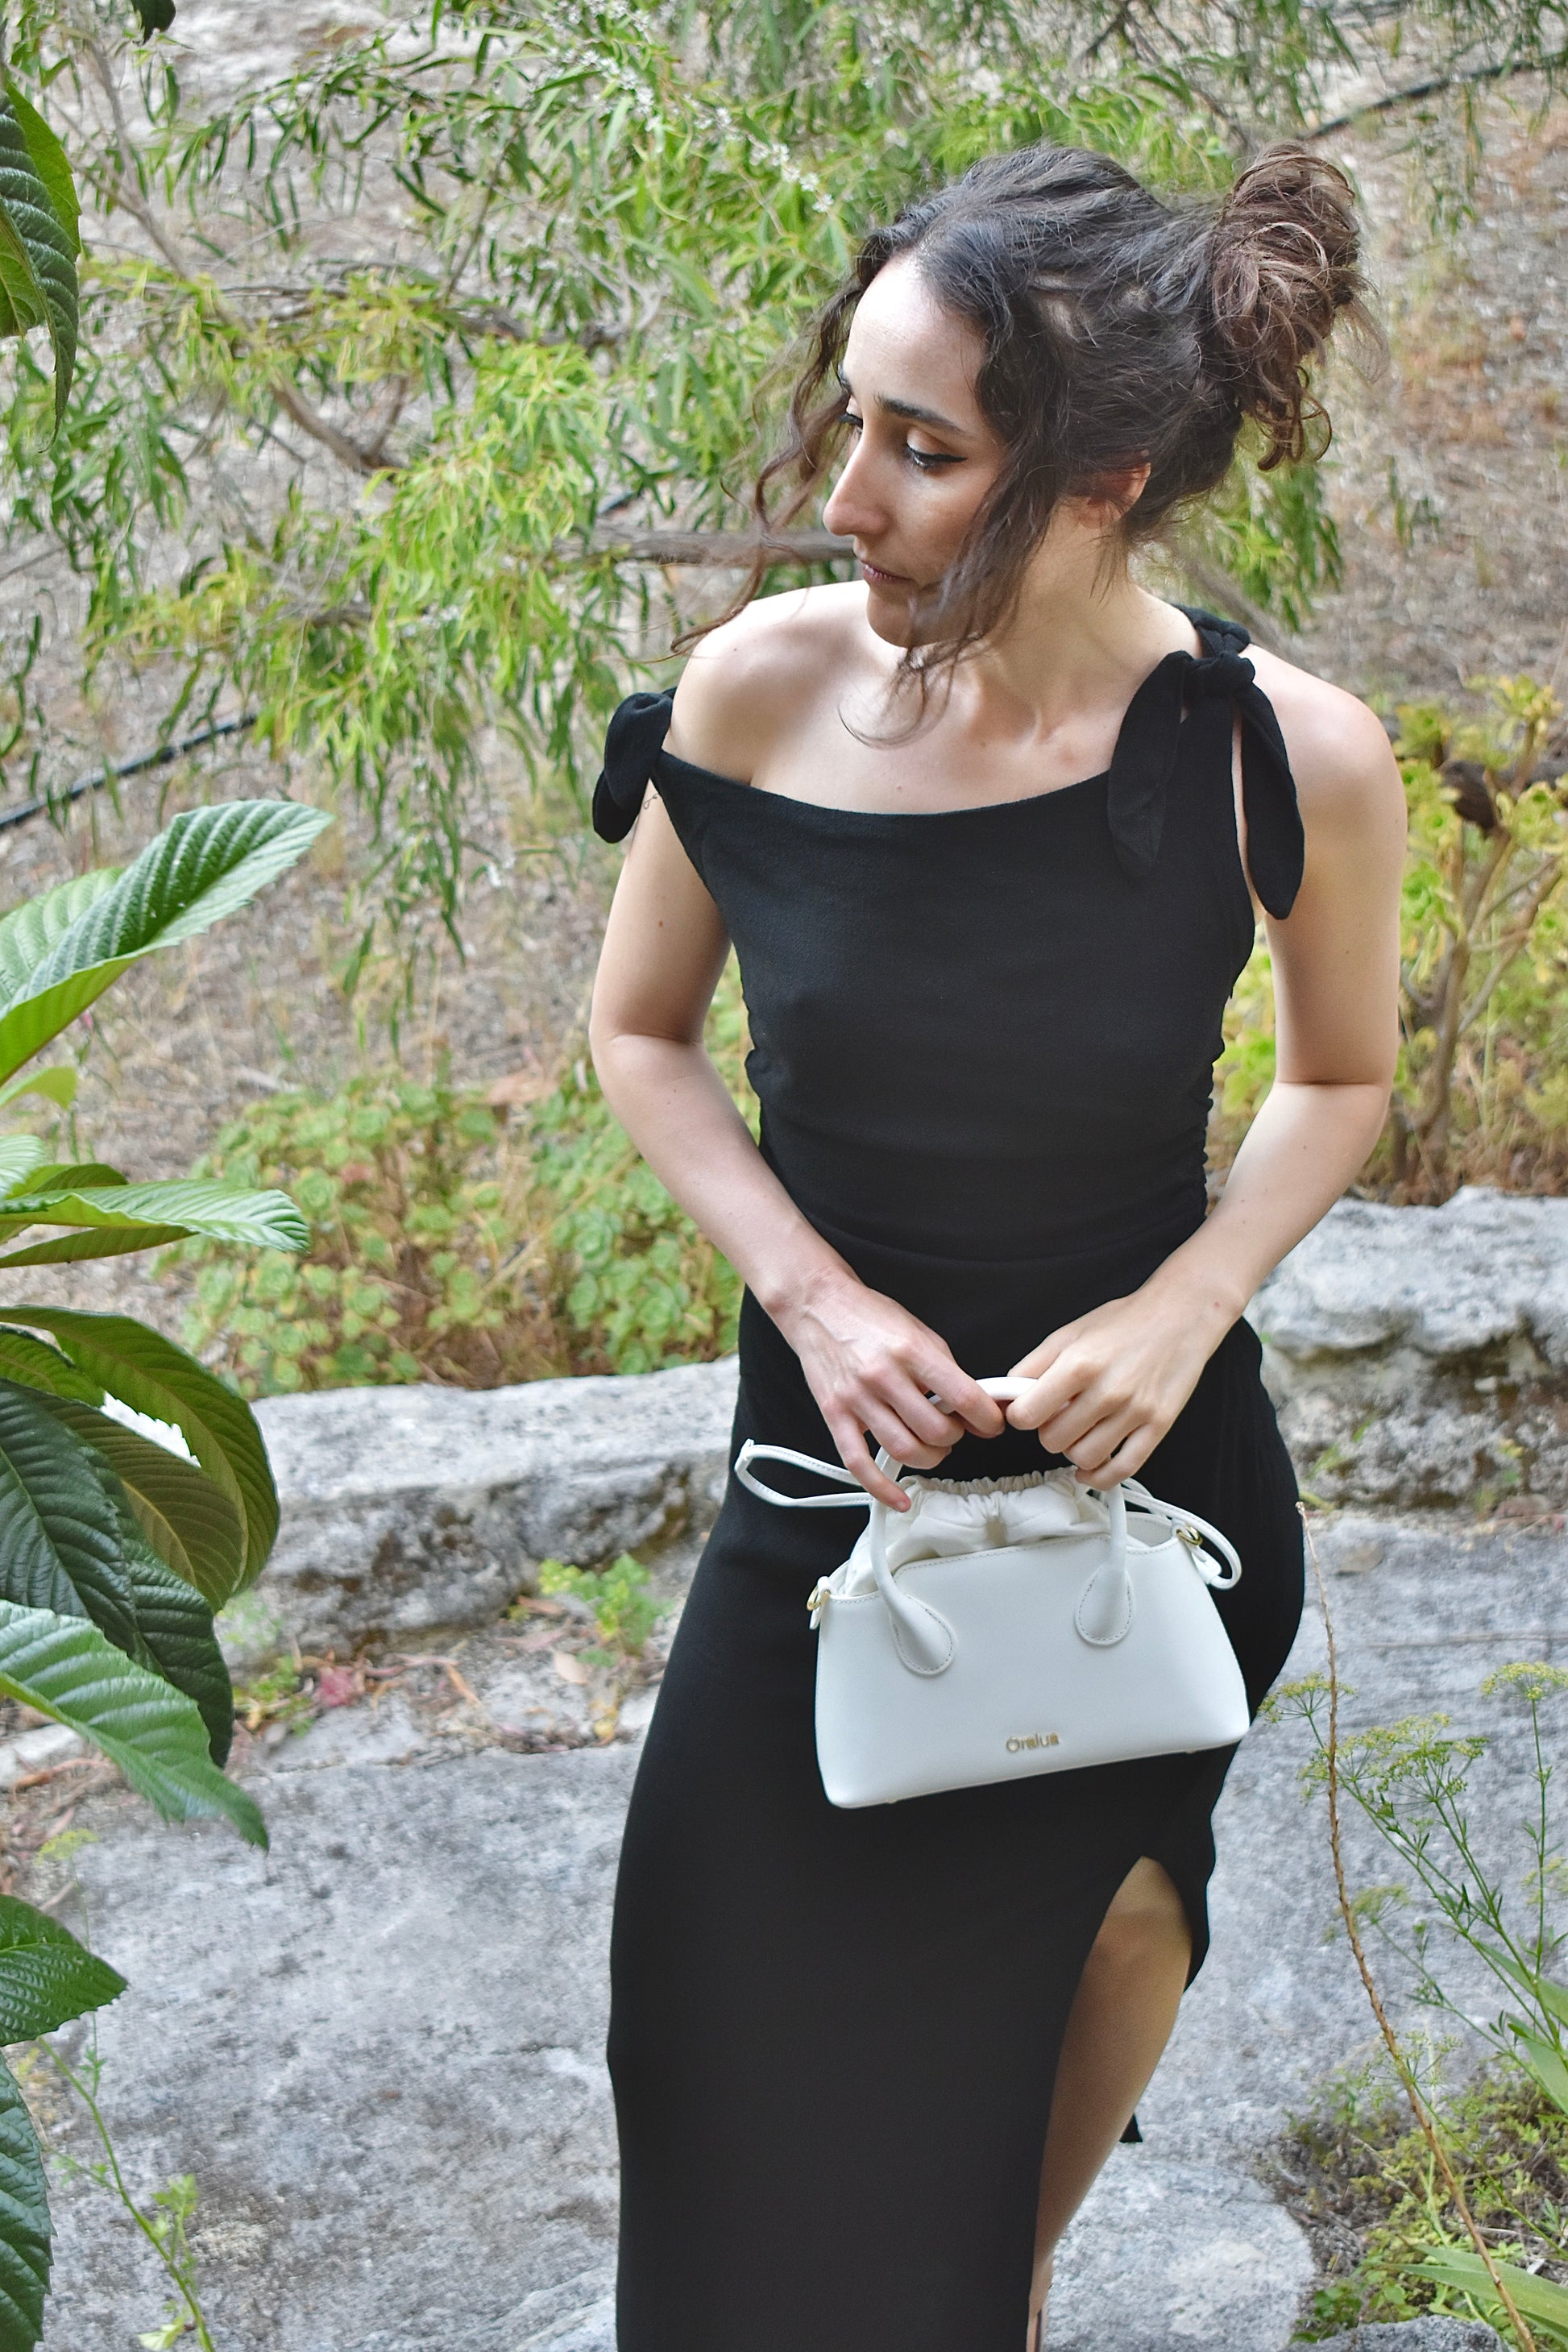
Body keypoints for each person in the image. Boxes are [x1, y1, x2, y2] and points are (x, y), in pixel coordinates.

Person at [587, 139, 1405, 2352]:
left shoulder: (1281, 756)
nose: (842, 494)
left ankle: (981, 2308)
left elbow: (1338, 1080)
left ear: (1100, 472)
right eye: (850, 415)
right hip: (820, 1490)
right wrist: (818, 1298)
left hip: (1148, 1495)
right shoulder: (755, 690)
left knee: (1115, 1933)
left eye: (918, 448)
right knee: (707, 2032)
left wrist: (1183, 1303)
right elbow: (638, 1032)